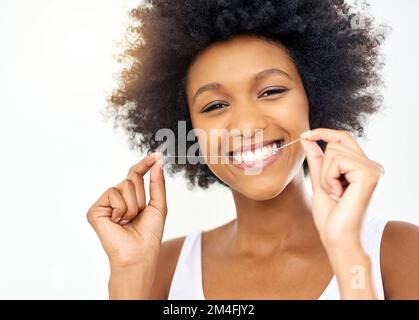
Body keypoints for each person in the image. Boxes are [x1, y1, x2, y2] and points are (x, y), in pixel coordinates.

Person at [87, 0, 419, 299]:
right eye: (215, 105)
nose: (246, 125)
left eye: (271, 91)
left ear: (313, 99)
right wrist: (130, 275)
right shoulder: (162, 269)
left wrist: (347, 249)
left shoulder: (400, 252)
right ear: (190, 130)